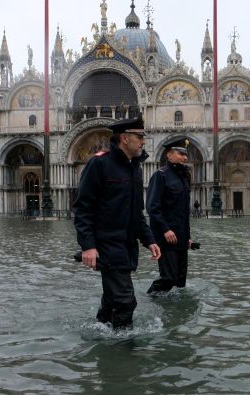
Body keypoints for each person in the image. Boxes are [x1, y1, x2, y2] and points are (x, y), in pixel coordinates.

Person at [73, 116, 161, 330]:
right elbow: (83, 208)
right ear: (124, 138)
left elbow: (136, 212)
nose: (143, 142)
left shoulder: (135, 169)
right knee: (125, 301)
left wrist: (149, 240)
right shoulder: (100, 163)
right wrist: (88, 246)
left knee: (112, 299)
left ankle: (100, 331)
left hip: (127, 245)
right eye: (139, 137)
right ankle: (124, 352)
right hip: (107, 244)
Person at [146, 140, 193, 294]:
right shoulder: (160, 176)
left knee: (180, 281)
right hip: (166, 237)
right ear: (169, 155)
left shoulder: (184, 178)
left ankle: (177, 312)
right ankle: (151, 298)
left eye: (186, 154)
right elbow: (152, 208)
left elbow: (184, 212)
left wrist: (188, 237)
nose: (185, 158)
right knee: (168, 278)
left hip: (181, 237)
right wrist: (165, 229)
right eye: (181, 154)